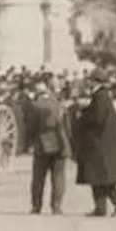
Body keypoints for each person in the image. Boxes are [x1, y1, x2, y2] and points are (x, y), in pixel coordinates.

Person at [74, 84, 116, 218]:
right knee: (98, 177)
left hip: (98, 144)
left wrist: (83, 113)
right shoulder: (104, 96)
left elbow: (97, 118)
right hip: (101, 144)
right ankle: (101, 208)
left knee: (98, 176)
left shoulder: (99, 97)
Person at [23, 83, 71, 215]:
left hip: (42, 144)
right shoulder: (59, 105)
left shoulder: (36, 106)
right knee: (58, 177)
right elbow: (68, 127)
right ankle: (56, 206)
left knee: (38, 178)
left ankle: (36, 206)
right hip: (61, 145)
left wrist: (28, 144)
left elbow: (31, 128)